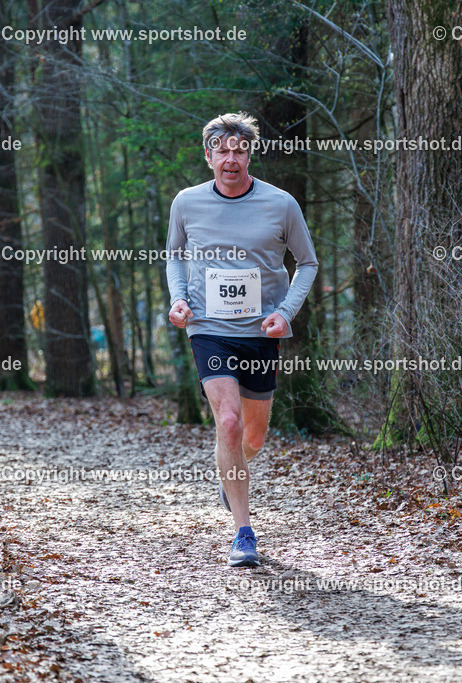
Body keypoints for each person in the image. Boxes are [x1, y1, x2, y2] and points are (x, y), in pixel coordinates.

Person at [165, 112, 318, 567]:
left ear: (249, 153)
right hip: (208, 328)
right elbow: (174, 256)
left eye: (239, 150)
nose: (231, 159)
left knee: (253, 434)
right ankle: (243, 533)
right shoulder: (187, 203)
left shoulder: (280, 204)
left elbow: (306, 263)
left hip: (259, 333)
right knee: (227, 422)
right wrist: (178, 300)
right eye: (222, 150)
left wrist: (285, 312)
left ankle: (231, 468)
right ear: (208, 155)